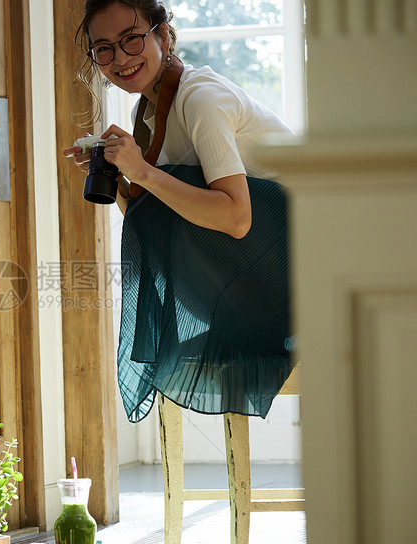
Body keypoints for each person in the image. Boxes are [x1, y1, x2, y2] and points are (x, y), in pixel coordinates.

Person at [63, 0, 296, 422]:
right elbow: (152, 217)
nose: (121, 59)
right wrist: (116, 176)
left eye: (131, 39)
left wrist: (142, 172)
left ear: (163, 36)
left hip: (308, 256)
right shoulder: (146, 112)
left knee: (177, 195)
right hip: (264, 271)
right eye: (104, 50)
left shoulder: (201, 99)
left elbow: (236, 219)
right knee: (167, 205)